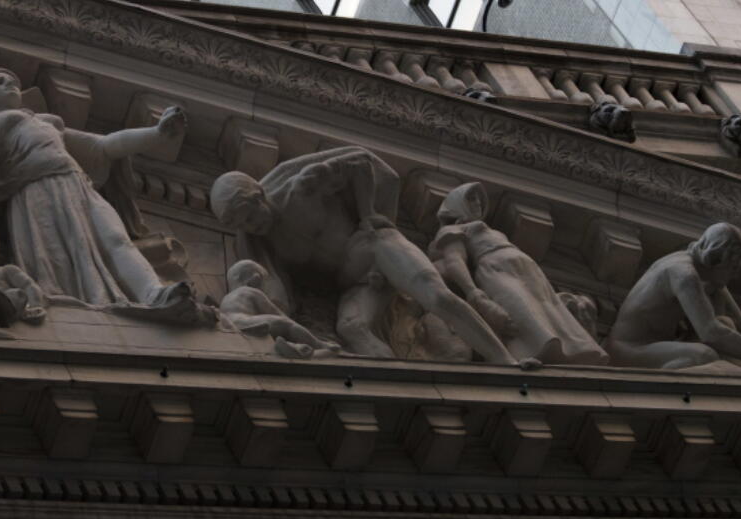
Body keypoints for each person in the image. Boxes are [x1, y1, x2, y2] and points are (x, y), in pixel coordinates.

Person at [211, 147, 525, 366]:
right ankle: (403, 391)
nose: (254, 227)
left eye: (251, 217)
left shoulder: (302, 188)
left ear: (259, 196)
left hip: (375, 246)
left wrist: (369, 214)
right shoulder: (266, 243)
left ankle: (505, 360)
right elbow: (278, 292)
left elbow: (361, 163)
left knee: (439, 298)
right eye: (243, 226)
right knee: (351, 328)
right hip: (354, 279)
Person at [0, 68, 196, 315]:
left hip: (77, 183)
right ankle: (71, 306)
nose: (9, 84)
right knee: (54, 258)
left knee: (116, 238)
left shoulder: (50, 122)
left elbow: (104, 146)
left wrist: (157, 133)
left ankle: (154, 293)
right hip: (37, 190)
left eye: (13, 80)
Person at [430, 182, 609, 365]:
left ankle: (570, 351)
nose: (477, 203)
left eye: (478, 199)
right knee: (520, 306)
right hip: (495, 268)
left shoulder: (492, 230)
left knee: (546, 307)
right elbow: (455, 260)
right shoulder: (453, 229)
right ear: (456, 204)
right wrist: (474, 293)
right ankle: (530, 353)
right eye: (470, 199)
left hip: (526, 269)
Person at [605, 223, 741, 374]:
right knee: (702, 356)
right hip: (628, 351)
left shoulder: (699, 275)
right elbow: (710, 333)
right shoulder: (684, 274)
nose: (735, 275)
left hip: (658, 346)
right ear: (716, 258)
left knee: (726, 323)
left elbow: (719, 325)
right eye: (733, 267)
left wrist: (714, 290)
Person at [220, 259, 341, 359]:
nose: (262, 287)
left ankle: (295, 348)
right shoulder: (250, 291)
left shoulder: (226, 298)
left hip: (232, 326)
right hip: (245, 323)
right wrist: (292, 326)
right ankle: (319, 345)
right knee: (286, 324)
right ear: (254, 279)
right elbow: (277, 313)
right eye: (261, 282)